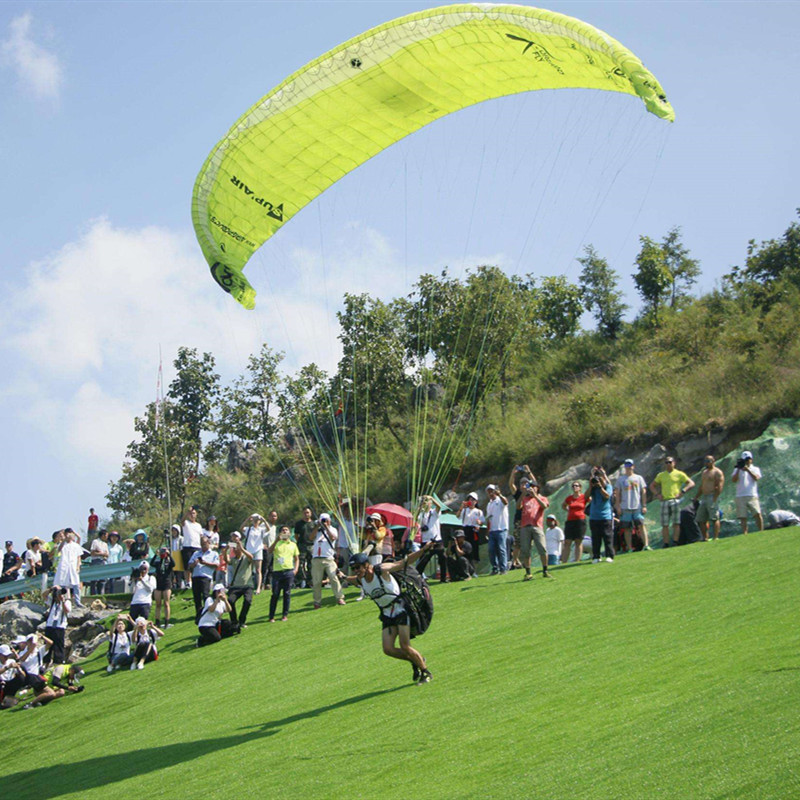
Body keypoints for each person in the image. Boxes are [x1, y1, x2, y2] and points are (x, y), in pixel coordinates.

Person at [343, 542, 434, 684]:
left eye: (357, 567)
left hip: (401, 609)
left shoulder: (381, 570)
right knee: (388, 649)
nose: (355, 570)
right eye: (353, 568)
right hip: (387, 614)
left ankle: (425, 672)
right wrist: (341, 576)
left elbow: (403, 562)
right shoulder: (360, 579)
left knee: (405, 645)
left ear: (366, 565)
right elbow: (354, 580)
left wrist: (423, 550)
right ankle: (415, 660)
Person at [650, 457, 695, 547]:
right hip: (665, 501)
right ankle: (666, 543)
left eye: (670, 462)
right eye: (666, 462)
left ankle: (675, 542)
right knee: (665, 524)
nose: (668, 464)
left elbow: (691, 483)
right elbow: (652, 486)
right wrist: (657, 495)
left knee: (676, 523)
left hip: (675, 500)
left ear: (674, 463)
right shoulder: (661, 475)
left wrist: (683, 491)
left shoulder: (679, 474)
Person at [614, 459, 651, 552]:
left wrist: (644, 505)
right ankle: (629, 547)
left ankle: (646, 545)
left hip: (637, 506)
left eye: (630, 465)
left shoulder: (639, 478)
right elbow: (617, 493)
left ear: (633, 466)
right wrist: (618, 506)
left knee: (641, 525)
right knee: (627, 528)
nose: (628, 467)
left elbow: (643, 492)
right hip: (625, 506)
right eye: (626, 465)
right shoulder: (621, 479)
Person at [518, 479, 552, 580]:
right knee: (526, 550)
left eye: (533, 486)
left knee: (542, 548)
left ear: (537, 488)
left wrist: (535, 496)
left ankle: (545, 570)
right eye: (530, 487)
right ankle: (528, 572)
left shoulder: (542, 498)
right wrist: (523, 494)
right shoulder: (525, 499)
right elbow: (518, 506)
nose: (531, 488)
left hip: (537, 526)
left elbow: (544, 506)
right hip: (525, 526)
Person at [311, 513, 346, 609]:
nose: (325, 522)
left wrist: (326, 527)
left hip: (328, 558)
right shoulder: (317, 531)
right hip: (316, 558)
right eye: (323, 520)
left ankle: (339, 597)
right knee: (317, 581)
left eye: (326, 520)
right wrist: (318, 526)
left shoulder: (333, 529)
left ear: (329, 520)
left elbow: (333, 538)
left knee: (333, 577)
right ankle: (317, 601)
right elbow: (310, 537)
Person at [268, 526, 299, 621]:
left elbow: (297, 558)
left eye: (286, 530)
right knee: (275, 594)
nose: (285, 531)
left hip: (289, 571)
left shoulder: (293, 544)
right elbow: (269, 551)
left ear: (289, 533)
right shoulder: (277, 543)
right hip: (277, 572)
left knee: (287, 594)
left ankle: (284, 615)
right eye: (283, 530)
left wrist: (296, 569)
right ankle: (271, 616)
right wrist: (276, 540)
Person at [509, 464, 536, 569]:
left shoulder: (531, 493)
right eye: (522, 483)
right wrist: (513, 473)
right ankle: (515, 561)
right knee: (518, 542)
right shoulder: (518, 493)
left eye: (526, 483)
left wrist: (528, 471)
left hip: (529, 520)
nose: (524, 485)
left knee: (529, 543)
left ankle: (526, 562)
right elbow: (511, 484)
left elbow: (535, 483)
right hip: (519, 520)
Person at [414, 496, 447, 582]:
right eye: (425, 502)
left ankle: (443, 578)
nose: (426, 503)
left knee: (443, 558)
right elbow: (415, 518)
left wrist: (432, 498)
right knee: (423, 560)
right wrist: (420, 505)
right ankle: (417, 577)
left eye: (427, 502)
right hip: (426, 541)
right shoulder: (421, 514)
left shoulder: (434, 513)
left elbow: (439, 507)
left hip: (437, 540)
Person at [226, 532, 255, 628]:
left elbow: (251, 557)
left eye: (236, 547)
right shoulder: (233, 560)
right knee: (230, 600)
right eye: (234, 548)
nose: (235, 549)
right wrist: (226, 549)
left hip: (247, 585)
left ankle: (242, 620)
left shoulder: (246, 558)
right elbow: (227, 560)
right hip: (236, 586)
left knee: (248, 601)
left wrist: (242, 548)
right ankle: (234, 621)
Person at [586, 466, 614, 563]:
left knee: (607, 537)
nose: (598, 480)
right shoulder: (592, 489)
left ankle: (609, 555)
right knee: (596, 538)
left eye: (600, 478)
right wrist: (591, 485)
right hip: (594, 517)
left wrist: (600, 486)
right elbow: (585, 497)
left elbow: (607, 496)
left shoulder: (608, 487)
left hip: (605, 516)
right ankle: (596, 556)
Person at [188, 536, 219, 621]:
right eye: (201, 544)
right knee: (197, 597)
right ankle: (198, 614)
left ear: (209, 543)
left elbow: (216, 565)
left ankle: (207, 612)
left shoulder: (213, 554)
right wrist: (194, 564)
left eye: (204, 544)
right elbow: (189, 565)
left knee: (206, 595)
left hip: (206, 577)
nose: (203, 546)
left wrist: (205, 563)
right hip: (195, 576)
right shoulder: (196, 553)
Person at [732, 450, 763, 534]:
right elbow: (734, 480)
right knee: (743, 517)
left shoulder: (755, 469)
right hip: (740, 495)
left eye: (748, 459)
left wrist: (748, 470)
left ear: (751, 459)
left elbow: (756, 478)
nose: (747, 461)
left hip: (752, 494)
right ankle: (745, 533)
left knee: (757, 514)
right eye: (745, 460)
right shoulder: (737, 469)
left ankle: (761, 531)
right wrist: (739, 469)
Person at [695, 455, 725, 541]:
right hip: (704, 497)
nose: (706, 463)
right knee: (700, 519)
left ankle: (716, 537)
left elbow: (720, 485)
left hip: (712, 496)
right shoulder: (704, 472)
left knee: (714, 518)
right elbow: (702, 486)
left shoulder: (717, 472)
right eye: (705, 461)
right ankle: (705, 538)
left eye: (708, 461)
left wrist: (715, 497)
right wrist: (696, 497)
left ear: (713, 461)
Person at [53, 531, 84, 606]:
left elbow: (78, 557)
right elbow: (59, 549)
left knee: (76, 584)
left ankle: (77, 601)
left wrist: (78, 566)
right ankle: (60, 600)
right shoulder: (63, 544)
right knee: (62, 583)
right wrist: (64, 539)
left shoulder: (76, 545)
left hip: (73, 566)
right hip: (64, 566)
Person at [484, 484, 510, 575]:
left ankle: (503, 568)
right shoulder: (489, 504)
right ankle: (495, 568)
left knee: (501, 549)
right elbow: (489, 518)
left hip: (501, 528)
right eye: (489, 492)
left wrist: (500, 495)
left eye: (492, 491)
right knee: (491, 549)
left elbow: (506, 502)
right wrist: (488, 530)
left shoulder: (500, 500)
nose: (490, 493)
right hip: (492, 530)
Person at [43, 585, 71, 666]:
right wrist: (51, 589)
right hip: (50, 626)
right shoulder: (52, 602)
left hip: (60, 627)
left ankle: (58, 664)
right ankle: (45, 663)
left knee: (58, 647)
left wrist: (62, 601)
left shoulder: (67, 602)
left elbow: (67, 611)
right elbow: (44, 595)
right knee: (47, 647)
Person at [561, 481, 587, 563]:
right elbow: (563, 505)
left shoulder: (583, 497)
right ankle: (564, 561)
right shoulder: (569, 498)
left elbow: (591, 501)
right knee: (567, 541)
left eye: (577, 485)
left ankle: (577, 560)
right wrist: (567, 510)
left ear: (580, 487)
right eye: (573, 486)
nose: (575, 487)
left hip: (580, 520)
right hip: (570, 521)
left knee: (578, 541)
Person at [241, 513, 267, 594]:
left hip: (258, 550)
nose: (256, 521)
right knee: (248, 569)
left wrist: (263, 519)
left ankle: (258, 587)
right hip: (249, 550)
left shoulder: (261, 529)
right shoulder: (249, 529)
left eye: (257, 520)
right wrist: (248, 519)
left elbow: (268, 529)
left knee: (258, 570)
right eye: (255, 519)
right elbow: (241, 528)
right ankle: (248, 586)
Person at [151, 546, 175, 627]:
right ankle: (157, 621)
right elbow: (151, 563)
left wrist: (169, 555)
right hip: (159, 584)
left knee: (166, 603)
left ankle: (166, 621)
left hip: (166, 584)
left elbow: (173, 564)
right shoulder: (158, 563)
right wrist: (156, 555)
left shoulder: (168, 563)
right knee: (158, 604)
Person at [459, 492, 484, 567]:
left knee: (474, 548)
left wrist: (479, 523)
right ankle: (466, 566)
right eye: (470, 500)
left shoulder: (478, 511)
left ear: (476, 501)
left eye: (473, 500)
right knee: (465, 548)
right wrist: (461, 507)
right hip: (466, 530)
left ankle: (473, 567)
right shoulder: (464, 510)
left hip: (474, 531)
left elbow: (482, 522)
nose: (471, 501)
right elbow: (458, 516)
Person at [293, 507, 316, 588]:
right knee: (300, 565)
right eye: (305, 512)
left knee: (311, 565)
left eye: (308, 512)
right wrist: (300, 542)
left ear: (311, 513)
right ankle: (299, 582)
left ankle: (309, 582)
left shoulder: (314, 524)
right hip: (301, 545)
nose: (306, 514)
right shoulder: (299, 524)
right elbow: (296, 535)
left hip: (311, 546)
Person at [182, 507, 204, 588]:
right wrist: (187, 512)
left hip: (197, 547)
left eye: (193, 513)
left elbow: (201, 536)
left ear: (196, 515)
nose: (192, 515)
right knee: (187, 566)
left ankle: (196, 580)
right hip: (187, 546)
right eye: (191, 513)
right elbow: (182, 521)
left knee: (197, 565)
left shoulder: (198, 525)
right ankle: (188, 582)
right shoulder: (186, 523)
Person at [261, 510, 279, 587]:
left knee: (271, 568)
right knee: (265, 567)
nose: (273, 517)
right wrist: (262, 545)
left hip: (273, 550)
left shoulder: (275, 527)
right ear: (269, 517)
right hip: (266, 550)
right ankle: (261, 583)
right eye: (272, 516)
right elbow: (259, 535)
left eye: (275, 516)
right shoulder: (264, 525)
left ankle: (268, 583)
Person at [89, 529, 109, 595]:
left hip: (103, 561)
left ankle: (101, 594)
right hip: (96, 561)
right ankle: (93, 594)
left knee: (102, 579)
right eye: (106, 535)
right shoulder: (95, 542)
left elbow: (107, 555)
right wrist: (101, 554)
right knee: (94, 579)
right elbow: (92, 553)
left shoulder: (105, 544)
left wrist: (101, 553)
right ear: (103, 535)